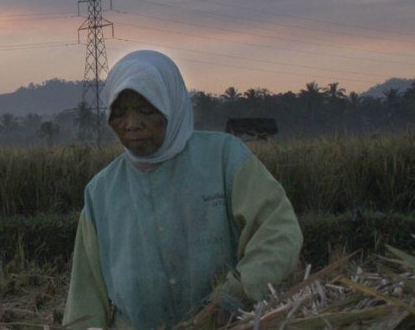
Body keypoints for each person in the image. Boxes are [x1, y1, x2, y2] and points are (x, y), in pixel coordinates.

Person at [63, 50, 302, 329]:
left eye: (146, 109)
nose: (132, 124)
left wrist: (238, 292)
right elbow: (86, 293)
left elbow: (279, 232)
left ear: (171, 105)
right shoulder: (100, 193)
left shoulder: (225, 159)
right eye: (120, 112)